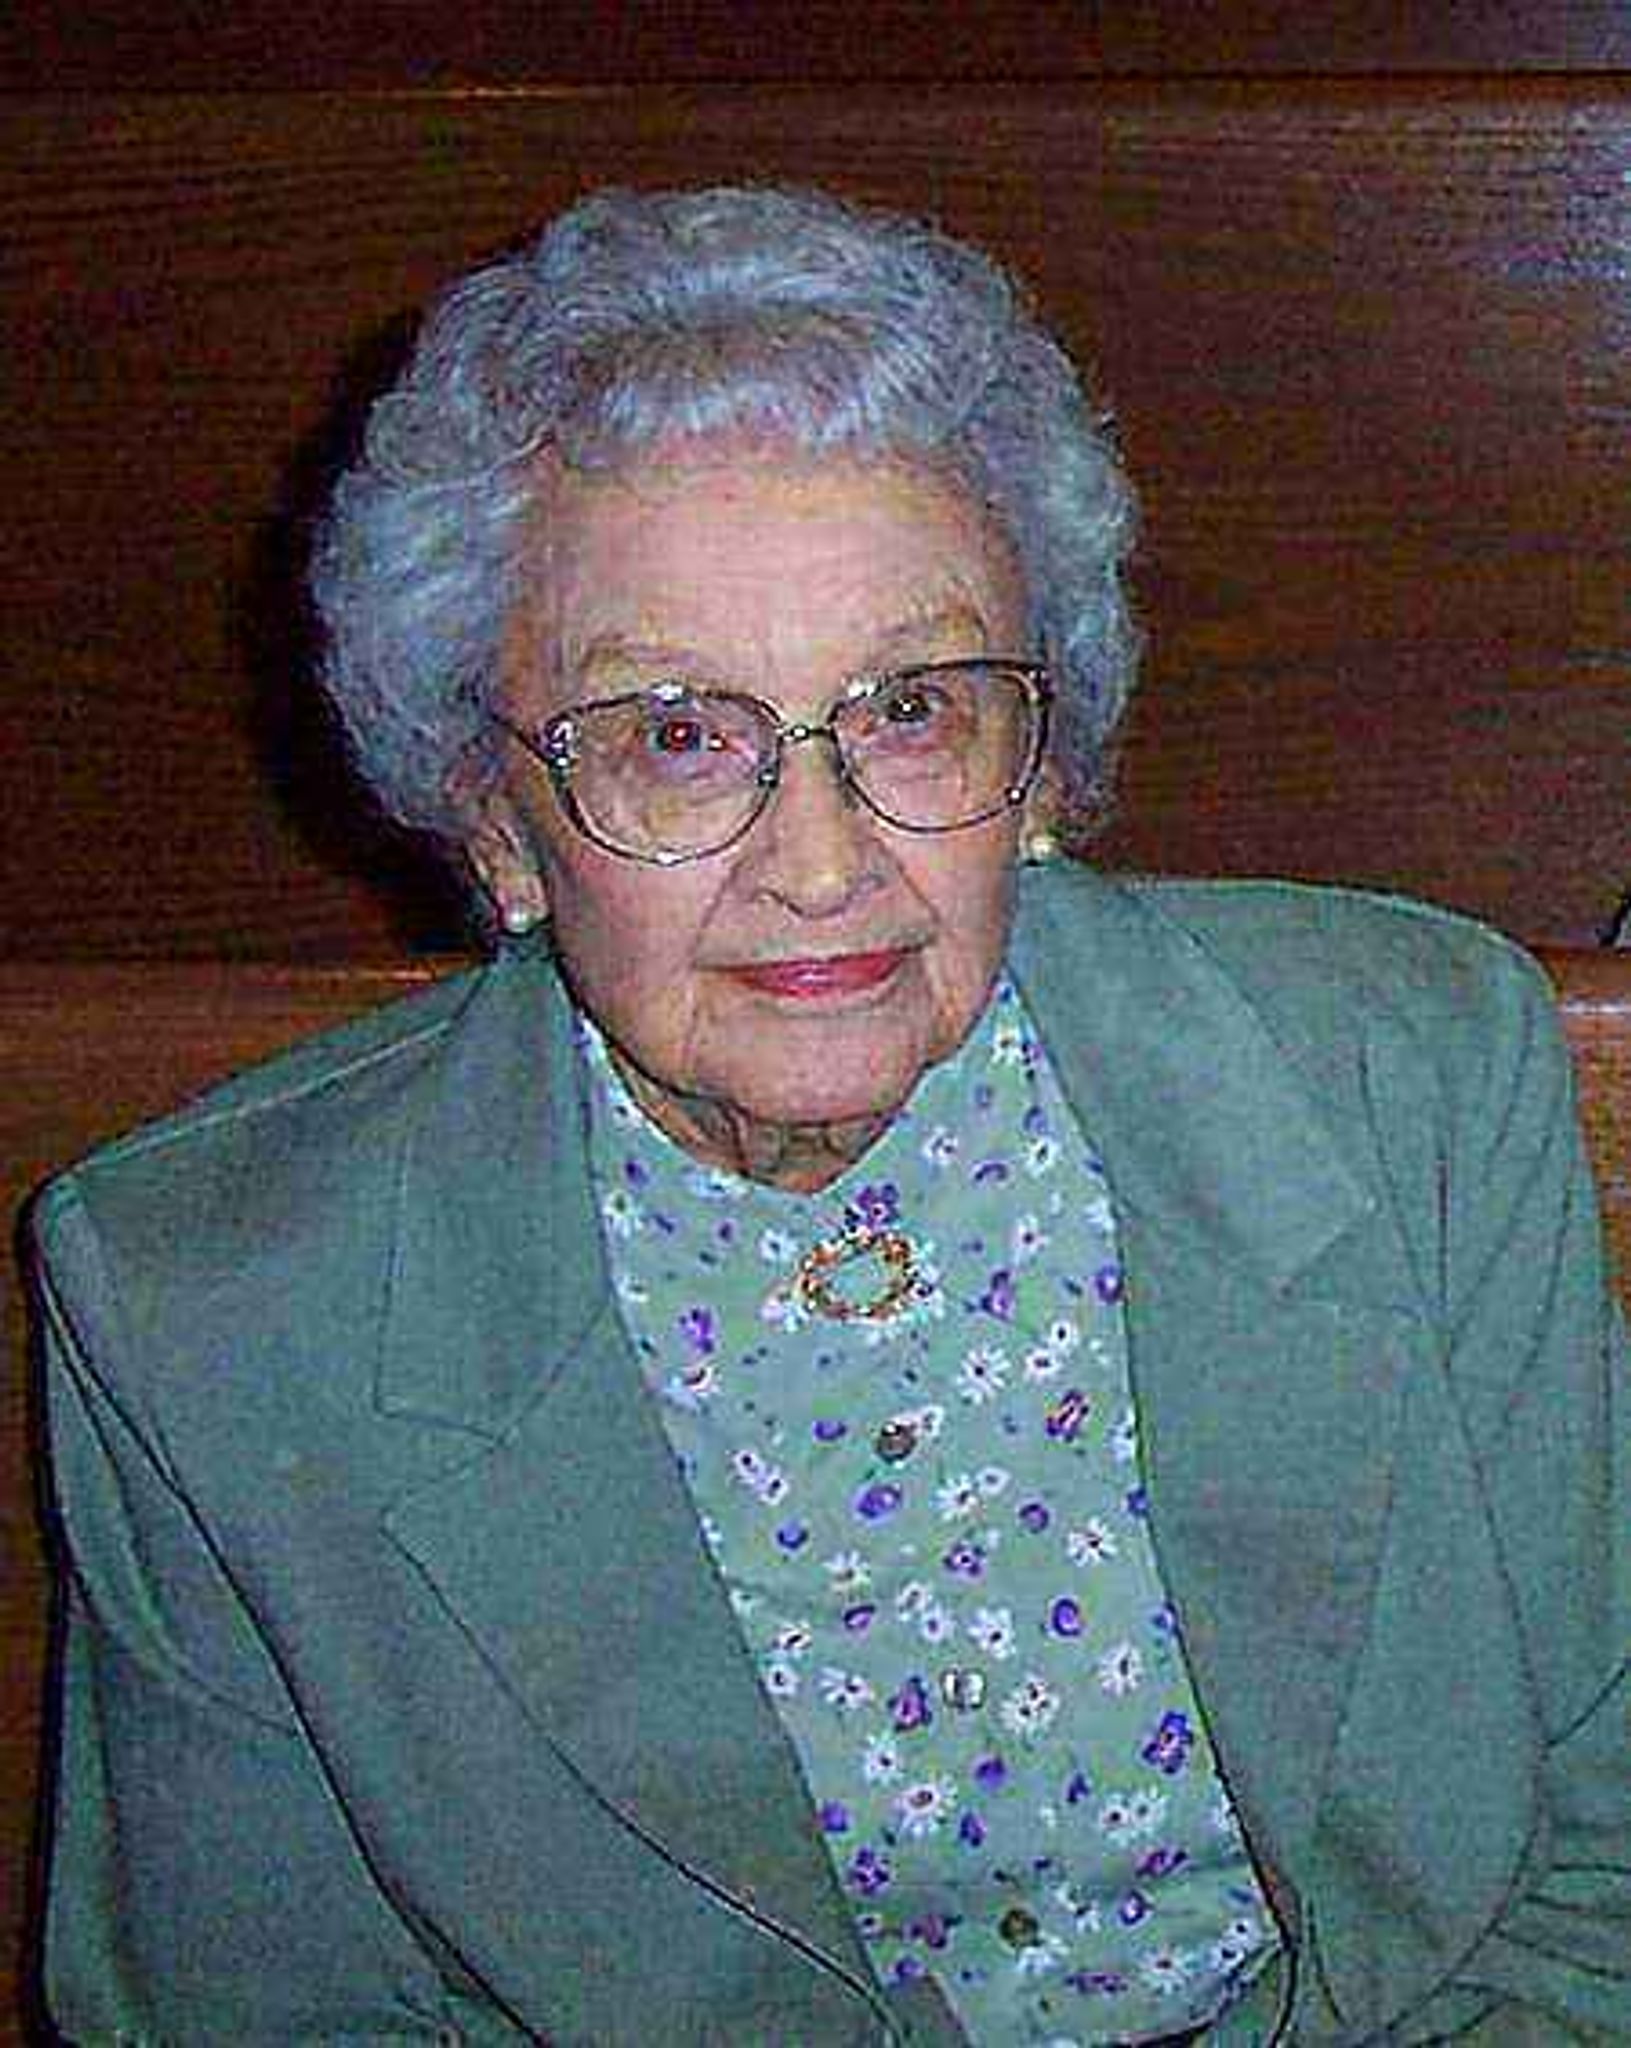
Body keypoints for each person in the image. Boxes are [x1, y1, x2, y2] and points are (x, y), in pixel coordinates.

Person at [28, 184, 1627, 2045]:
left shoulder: (1413, 1077)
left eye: (913, 710)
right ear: (495, 824)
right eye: (676, 735)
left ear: (1042, 761)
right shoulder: (210, 1311)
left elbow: (1602, 1865)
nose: (819, 861)